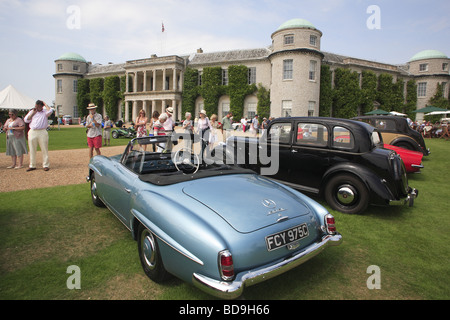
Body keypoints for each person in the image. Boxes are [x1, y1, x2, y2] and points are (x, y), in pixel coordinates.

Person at [24, 100, 54, 172]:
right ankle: (32, 165)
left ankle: (45, 165)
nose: (37, 107)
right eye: (36, 106)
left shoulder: (45, 112)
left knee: (44, 149)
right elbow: (26, 120)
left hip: (42, 131)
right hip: (33, 131)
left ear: (41, 106)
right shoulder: (32, 111)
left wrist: (44, 103)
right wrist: (33, 114)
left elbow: (51, 110)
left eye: (38, 106)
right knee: (32, 149)